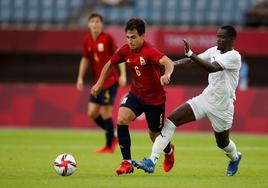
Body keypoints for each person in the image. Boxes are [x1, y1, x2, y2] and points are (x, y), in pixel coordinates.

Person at [132, 25, 243, 176]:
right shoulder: (214, 50)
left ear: (232, 39)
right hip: (205, 99)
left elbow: (211, 67)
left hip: (223, 107)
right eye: (218, 36)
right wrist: (171, 64)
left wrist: (191, 53)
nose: (219, 40)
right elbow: (192, 61)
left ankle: (235, 157)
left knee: (222, 143)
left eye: (222, 37)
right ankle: (151, 161)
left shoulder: (234, 56)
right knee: (171, 121)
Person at [91, 18, 175, 175]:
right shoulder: (125, 50)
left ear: (143, 36)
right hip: (136, 94)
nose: (130, 41)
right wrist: (99, 83)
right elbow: (110, 64)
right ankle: (127, 163)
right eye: (127, 37)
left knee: (154, 135)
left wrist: (167, 73)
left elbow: (168, 61)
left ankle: (169, 152)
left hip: (155, 100)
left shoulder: (150, 51)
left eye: (133, 37)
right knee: (122, 118)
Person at [76, 13, 127, 154]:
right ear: (88, 24)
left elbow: (119, 56)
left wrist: (123, 74)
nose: (95, 24)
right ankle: (113, 135)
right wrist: (80, 77)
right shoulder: (87, 40)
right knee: (92, 113)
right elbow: (85, 59)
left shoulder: (107, 38)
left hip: (110, 81)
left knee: (106, 113)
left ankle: (109, 145)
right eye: (92, 21)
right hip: (97, 83)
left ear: (101, 24)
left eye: (97, 21)